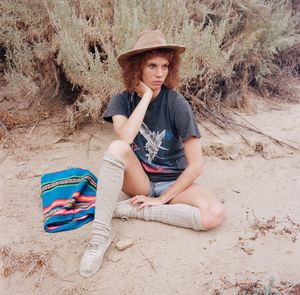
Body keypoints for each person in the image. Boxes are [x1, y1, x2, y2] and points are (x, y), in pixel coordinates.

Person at [79, 30, 225, 277]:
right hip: (141, 182)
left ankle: (131, 210)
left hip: (174, 182)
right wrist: (146, 97)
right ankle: (100, 237)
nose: (160, 74)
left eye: (165, 66)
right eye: (152, 66)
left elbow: (196, 165)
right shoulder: (121, 101)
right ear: (137, 69)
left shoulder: (177, 105)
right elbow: (124, 137)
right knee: (117, 148)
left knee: (213, 214)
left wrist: (162, 198)